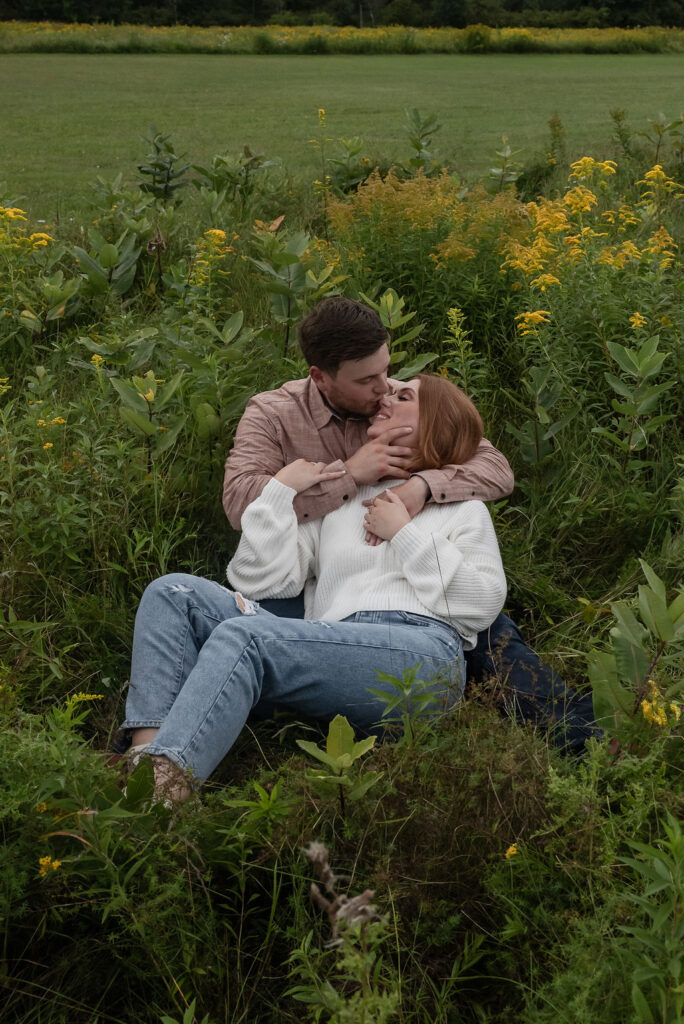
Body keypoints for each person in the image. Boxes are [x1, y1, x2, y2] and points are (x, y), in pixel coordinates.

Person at [222, 296, 598, 753]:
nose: (384, 388)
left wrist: (421, 486)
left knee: (484, 626)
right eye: (368, 380)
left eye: (387, 372)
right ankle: (262, 732)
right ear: (320, 376)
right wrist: (348, 476)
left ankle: (579, 737)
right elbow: (241, 502)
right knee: (256, 625)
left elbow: (495, 468)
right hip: (310, 570)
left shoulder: (393, 397)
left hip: (405, 572)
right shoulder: (273, 414)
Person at [119, 375, 507, 799]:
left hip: (421, 657)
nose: (386, 396)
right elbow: (258, 580)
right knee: (172, 592)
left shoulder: (463, 508)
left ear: (433, 422)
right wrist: (279, 492)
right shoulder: (339, 503)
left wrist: (404, 535)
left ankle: (165, 793)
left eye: (404, 395)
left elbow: (482, 603)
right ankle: (145, 764)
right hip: (331, 645)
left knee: (245, 637)